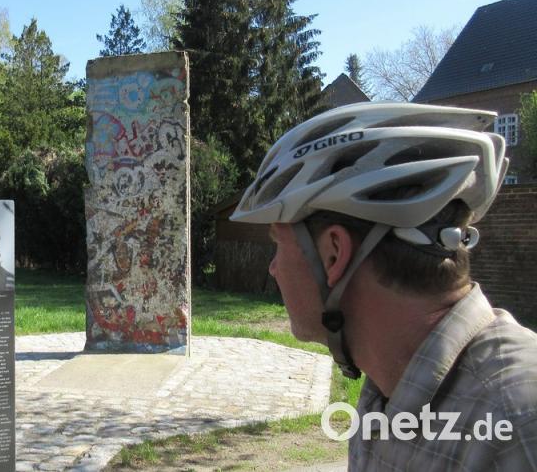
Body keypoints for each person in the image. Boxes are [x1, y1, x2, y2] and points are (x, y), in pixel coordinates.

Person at [230, 102, 537, 470]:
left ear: (333, 254)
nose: (274, 268)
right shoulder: (385, 389)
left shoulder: (519, 425)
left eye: (278, 243)